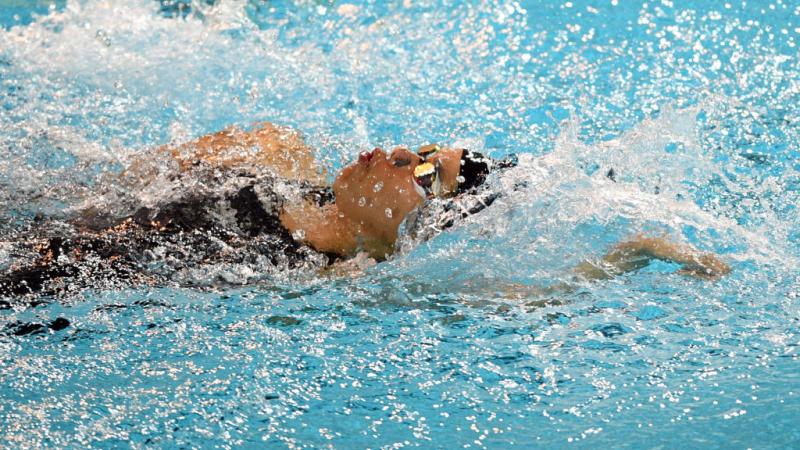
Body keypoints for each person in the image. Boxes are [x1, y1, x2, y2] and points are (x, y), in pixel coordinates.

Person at [0, 122, 729, 300]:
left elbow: (512, 298)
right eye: (420, 145)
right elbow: (75, 188)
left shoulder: (336, 277)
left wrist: (638, 250)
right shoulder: (272, 151)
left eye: (421, 171)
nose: (391, 152)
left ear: (424, 227)